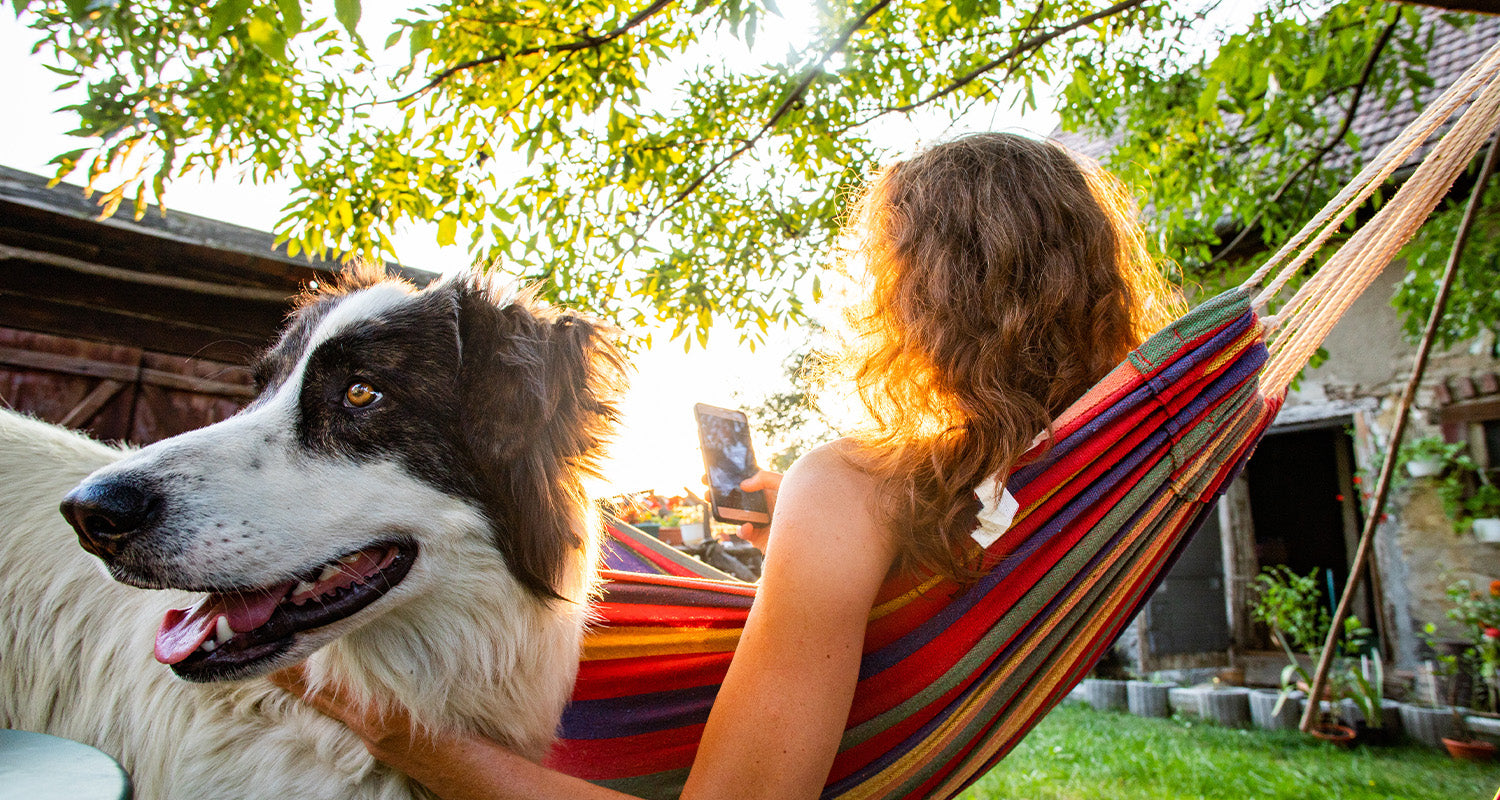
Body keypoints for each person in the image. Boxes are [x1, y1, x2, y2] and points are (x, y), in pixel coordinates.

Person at [272, 132, 1182, 800]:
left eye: (886, 270)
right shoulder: (1083, 473)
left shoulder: (849, 490)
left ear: (924, 295)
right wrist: (814, 527)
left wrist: (395, 730)